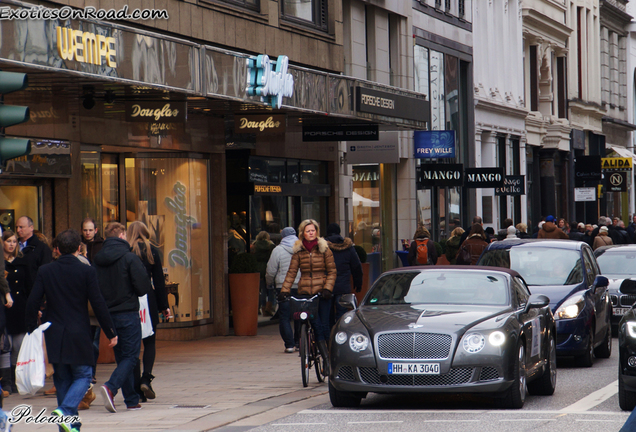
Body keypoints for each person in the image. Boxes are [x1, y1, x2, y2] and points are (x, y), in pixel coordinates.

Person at [25, 229, 117, 432]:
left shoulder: (46, 271)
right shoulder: (87, 271)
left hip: (54, 333)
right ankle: (66, 411)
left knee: (62, 379)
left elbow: (32, 302)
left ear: (56, 249)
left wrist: (31, 328)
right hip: (78, 332)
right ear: (79, 248)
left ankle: (69, 427)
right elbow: (98, 303)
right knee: (84, 375)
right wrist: (110, 331)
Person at [93, 222, 151, 413]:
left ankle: (132, 400)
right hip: (127, 312)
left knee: (122, 358)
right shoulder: (130, 258)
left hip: (107, 315)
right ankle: (111, 387)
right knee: (132, 356)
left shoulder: (97, 260)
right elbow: (143, 288)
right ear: (121, 236)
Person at [278, 219, 336, 375]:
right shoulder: (298, 251)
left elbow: (332, 271)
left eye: (313, 230)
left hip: (322, 292)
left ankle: (327, 360)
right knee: (315, 324)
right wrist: (285, 290)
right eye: (308, 231)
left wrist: (327, 288)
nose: (311, 233)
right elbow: (291, 272)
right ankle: (310, 347)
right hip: (305, 292)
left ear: (317, 231)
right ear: (302, 233)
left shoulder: (325, 249)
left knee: (324, 325)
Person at [127, 221, 171, 402]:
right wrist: (164, 306)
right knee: (150, 342)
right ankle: (147, 377)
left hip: (130, 300)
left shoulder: (126, 251)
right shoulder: (152, 250)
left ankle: (137, 388)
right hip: (149, 299)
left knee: (134, 345)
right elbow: (159, 282)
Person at [3, 230, 32, 395]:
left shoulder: (22, 261)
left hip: (20, 306)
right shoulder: (1, 263)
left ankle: (16, 379)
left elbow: (28, 285)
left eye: (14, 241)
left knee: (19, 345)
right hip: (5, 306)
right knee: (7, 344)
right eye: (8, 241)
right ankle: (7, 381)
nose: (11, 244)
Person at [266, 227, 301, 353]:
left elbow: (271, 270)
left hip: (282, 286)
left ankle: (289, 344)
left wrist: (269, 283)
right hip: (299, 286)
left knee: (284, 316)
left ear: (282, 237)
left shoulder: (278, 250)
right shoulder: (301, 249)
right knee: (299, 315)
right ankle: (298, 342)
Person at [325, 223, 363, 324]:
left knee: (327, 314)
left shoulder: (323, 247)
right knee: (341, 314)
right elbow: (356, 266)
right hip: (343, 286)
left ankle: (328, 337)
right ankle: (339, 334)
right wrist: (358, 282)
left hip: (327, 286)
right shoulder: (348, 247)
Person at [16, 216, 52, 287]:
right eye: (16, 227)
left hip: (32, 291)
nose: (17, 230)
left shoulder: (42, 248)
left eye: (21, 227)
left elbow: (46, 273)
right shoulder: (13, 246)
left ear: (31, 228)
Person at [252, 231, 276, 316]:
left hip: (258, 268)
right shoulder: (271, 246)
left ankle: (262, 307)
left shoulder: (254, 246)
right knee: (270, 289)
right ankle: (268, 308)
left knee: (262, 290)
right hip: (268, 268)